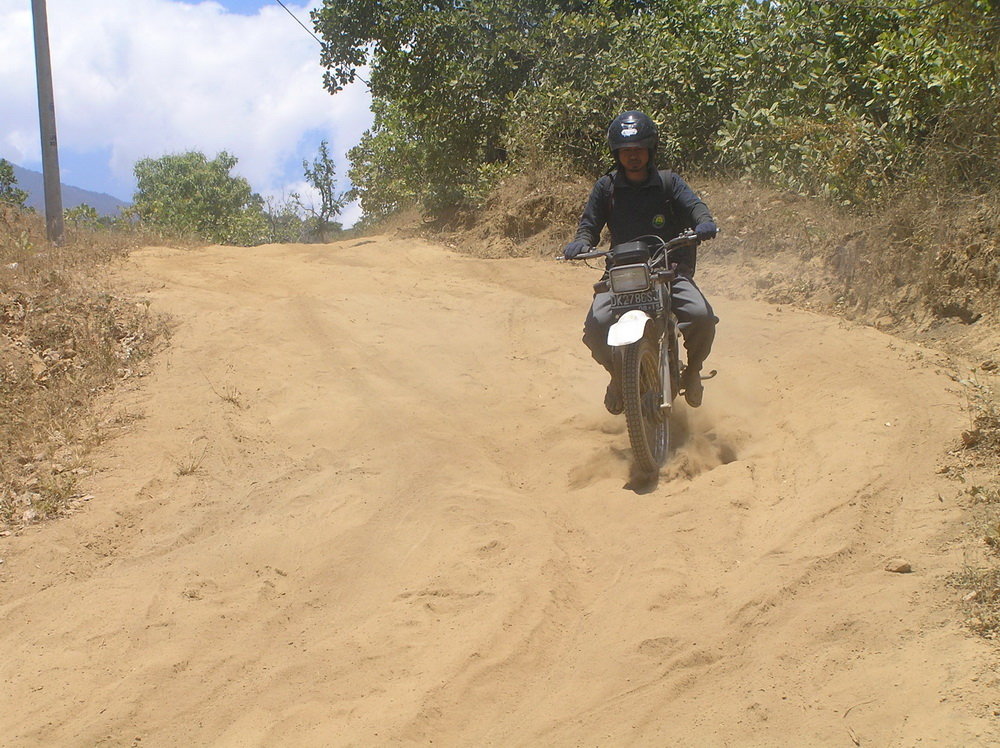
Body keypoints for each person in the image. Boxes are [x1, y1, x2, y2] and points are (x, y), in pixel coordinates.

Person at [563, 110, 718, 411]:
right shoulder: (606, 188)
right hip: (621, 274)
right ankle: (619, 376)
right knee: (596, 327)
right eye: (626, 151)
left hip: (667, 269)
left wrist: (704, 222)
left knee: (701, 316)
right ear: (616, 154)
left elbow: (695, 207)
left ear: (650, 150)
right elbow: (589, 225)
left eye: (638, 150)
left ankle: (693, 370)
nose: (632, 156)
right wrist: (582, 241)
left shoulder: (669, 182)